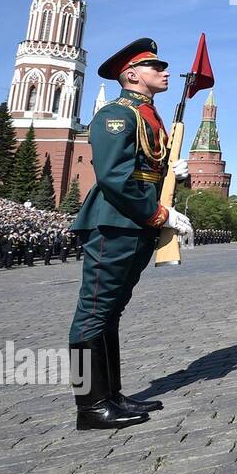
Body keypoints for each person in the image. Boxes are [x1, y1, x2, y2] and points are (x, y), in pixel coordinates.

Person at [68, 38, 192, 430]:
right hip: (114, 223)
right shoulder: (116, 115)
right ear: (132, 75)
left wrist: (175, 177)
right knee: (92, 314)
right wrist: (158, 212)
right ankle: (89, 406)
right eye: (157, 66)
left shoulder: (147, 115)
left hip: (133, 224)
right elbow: (114, 177)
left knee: (110, 312)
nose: (165, 71)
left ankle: (110, 394)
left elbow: (149, 168)